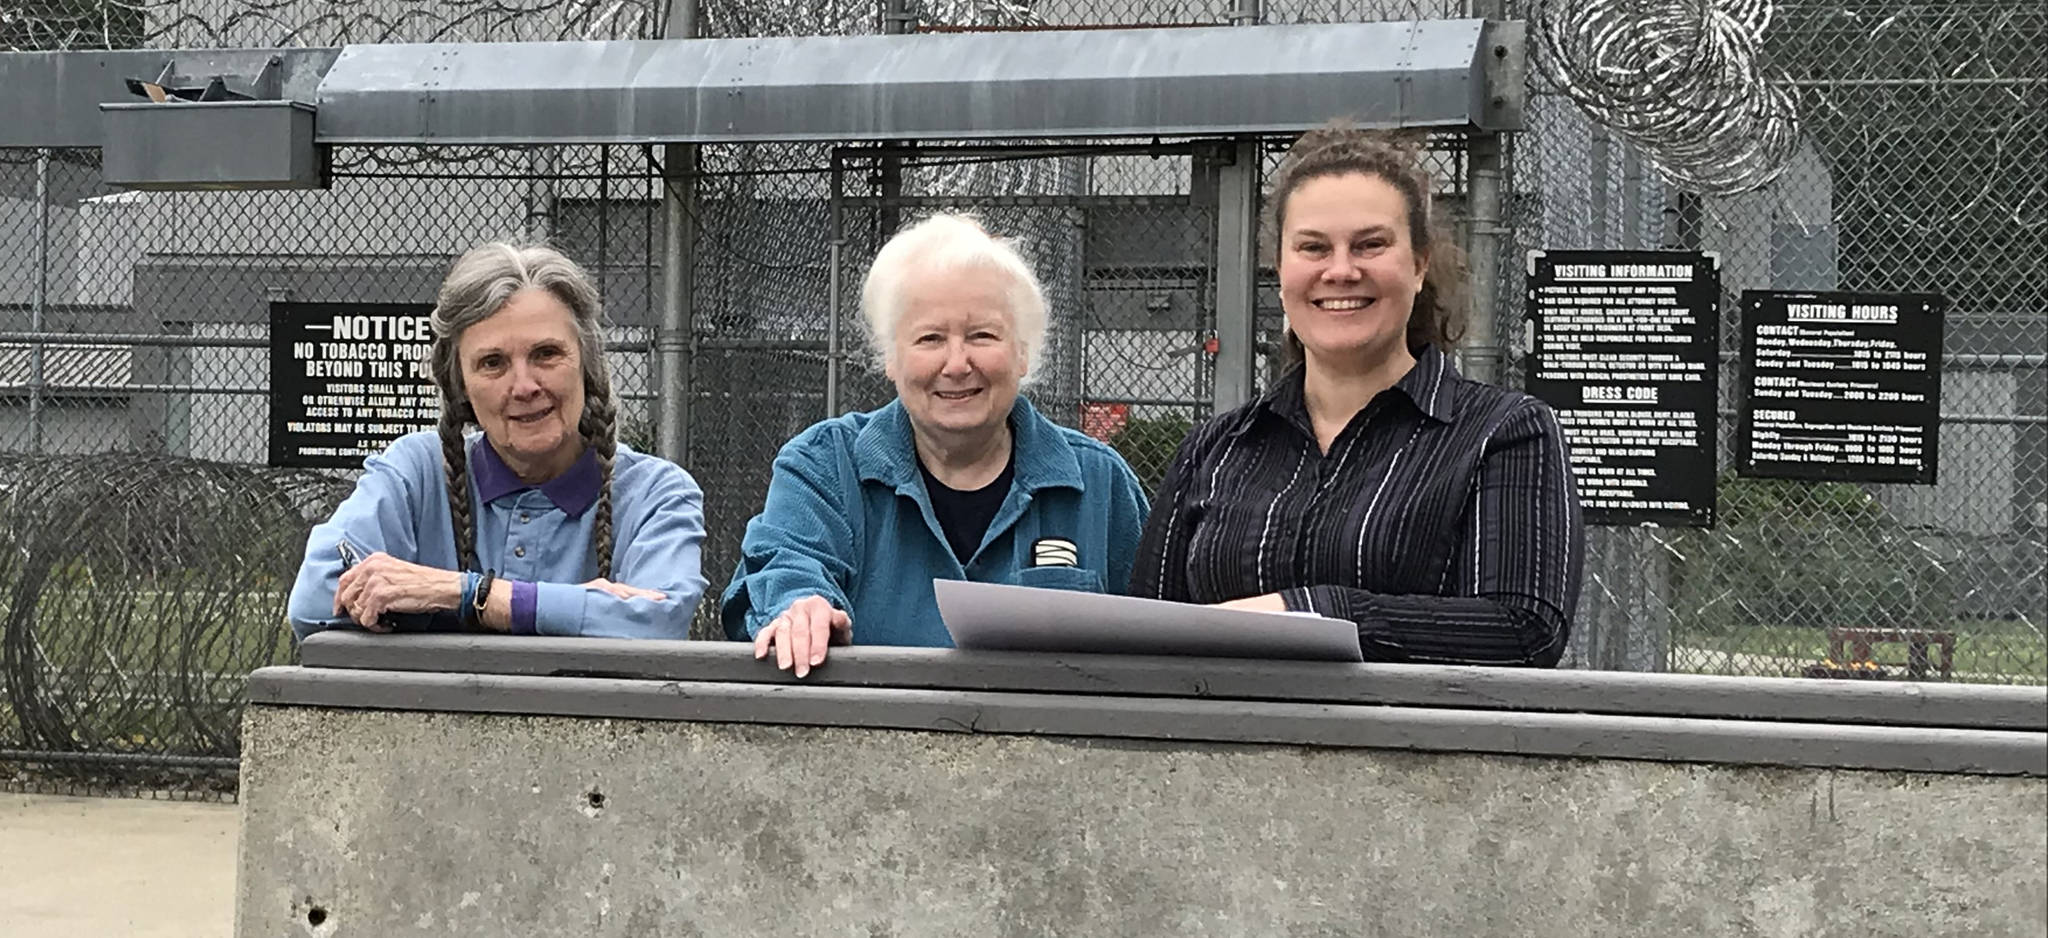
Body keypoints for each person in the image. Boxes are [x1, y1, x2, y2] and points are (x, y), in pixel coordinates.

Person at [1130, 126, 1583, 665]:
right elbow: (1148, 634)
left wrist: (1313, 614)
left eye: (1371, 245)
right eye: (1313, 248)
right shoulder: (1217, 449)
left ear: (1418, 266)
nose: (1341, 271)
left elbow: (1523, 631)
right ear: (1280, 271)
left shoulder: (1501, 432)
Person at [721, 212, 1149, 675]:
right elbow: (786, 562)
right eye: (930, 338)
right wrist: (801, 607)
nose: (957, 363)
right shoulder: (823, 466)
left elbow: (1165, 628)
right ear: (890, 357)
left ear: (1024, 352)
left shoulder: (1101, 484)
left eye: (982, 335)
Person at [287, 242, 706, 640]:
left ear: (587, 363)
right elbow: (316, 601)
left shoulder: (656, 494)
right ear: (460, 385)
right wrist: (583, 611)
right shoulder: (417, 472)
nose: (524, 386)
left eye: (546, 353)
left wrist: (467, 594)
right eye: (493, 363)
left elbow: (658, 624)